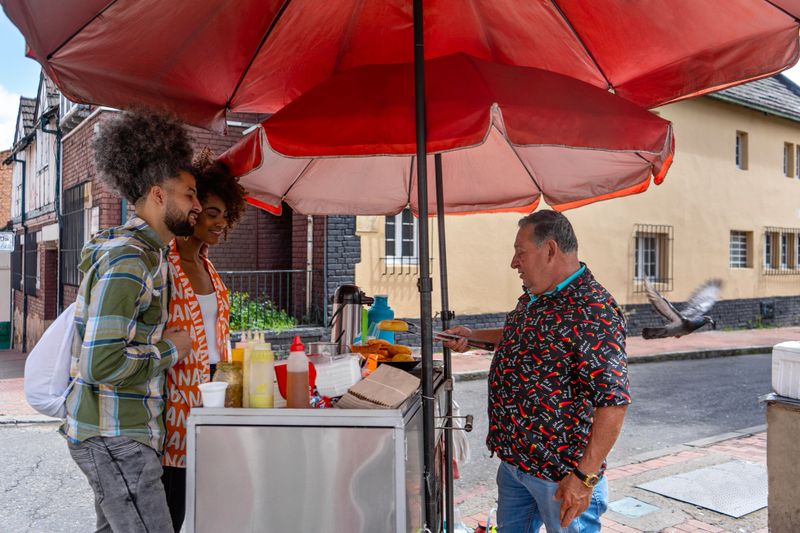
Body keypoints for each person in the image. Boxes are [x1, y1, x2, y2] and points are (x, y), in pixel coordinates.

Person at [443, 210, 630, 533]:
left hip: (560, 477)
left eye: (520, 252)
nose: (514, 262)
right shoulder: (538, 297)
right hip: (516, 463)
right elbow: (517, 336)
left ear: (550, 250)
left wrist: (584, 478)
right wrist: (471, 336)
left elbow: (613, 402)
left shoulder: (593, 310)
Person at [62, 110, 201, 533]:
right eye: (189, 195)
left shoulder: (149, 254)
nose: (197, 206)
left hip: (119, 434)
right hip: (115, 435)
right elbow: (101, 364)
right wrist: (172, 348)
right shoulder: (130, 259)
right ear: (159, 196)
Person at [161, 155, 248, 531]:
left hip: (216, 396)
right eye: (211, 212)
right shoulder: (165, 264)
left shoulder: (208, 266)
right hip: (174, 402)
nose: (220, 222)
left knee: (212, 506)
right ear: (191, 211)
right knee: (173, 505)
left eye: (225, 215)